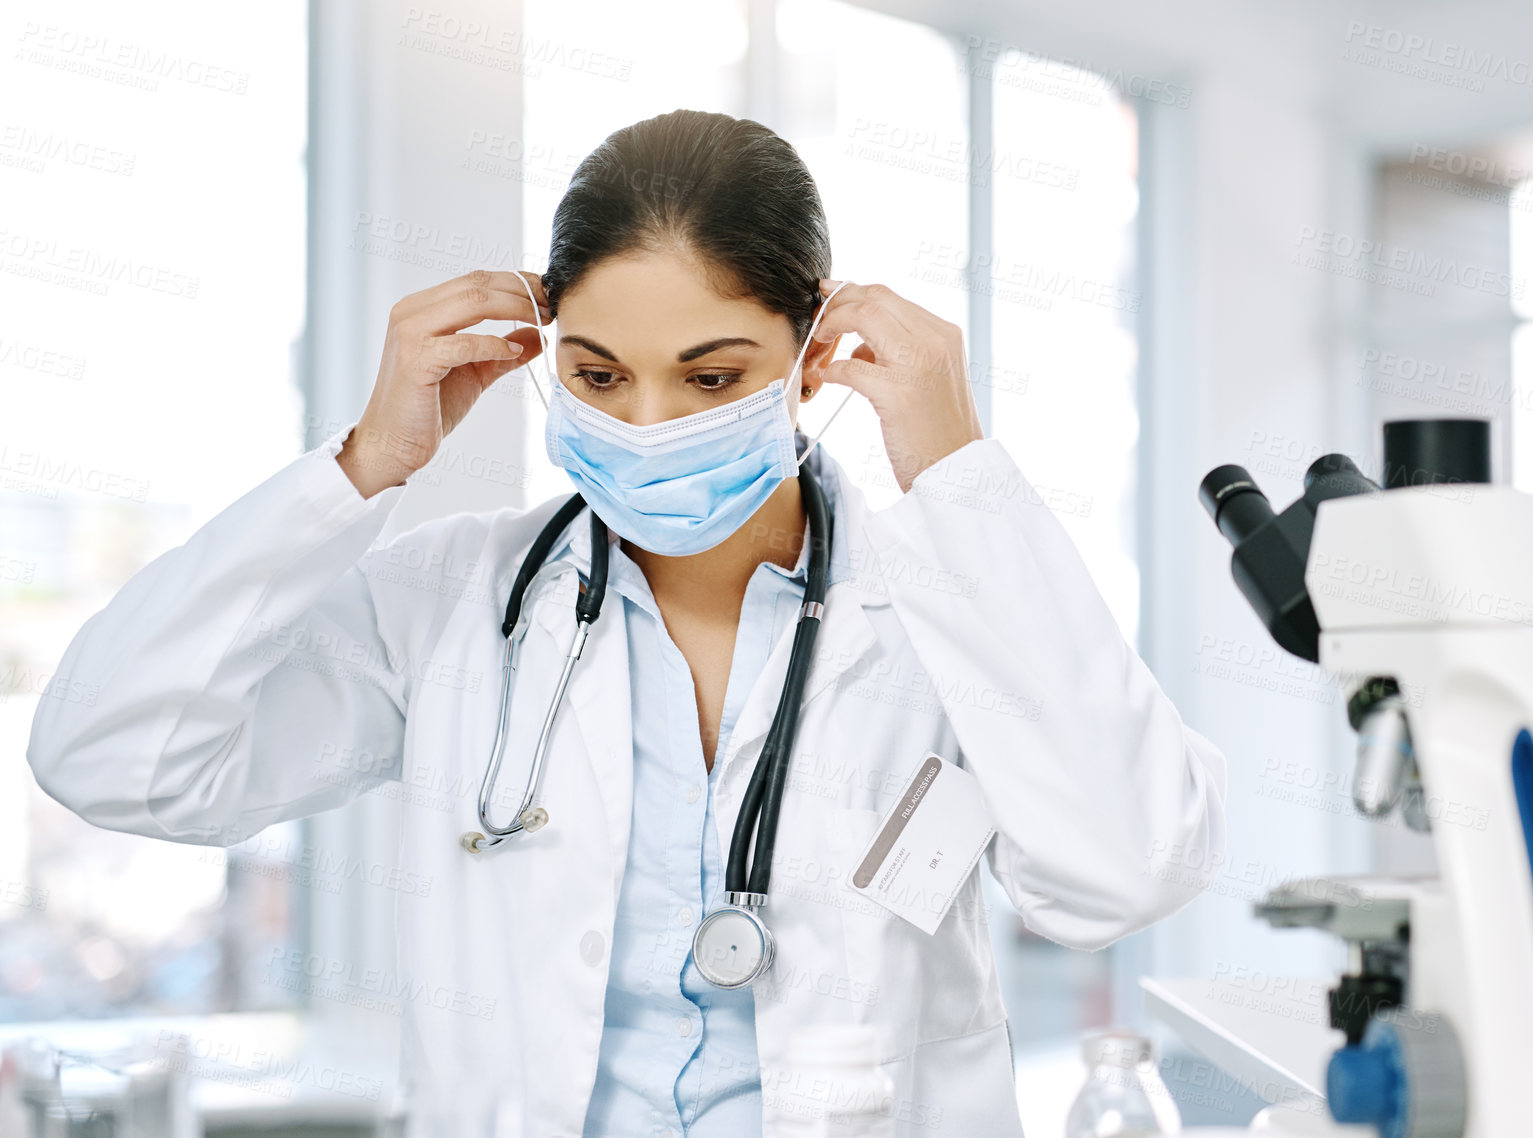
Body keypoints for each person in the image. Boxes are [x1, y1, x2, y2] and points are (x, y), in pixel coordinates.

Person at [27, 108, 1226, 1138]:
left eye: (710, 378)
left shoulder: (944, 616)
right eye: (599, 375)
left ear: (815, 359)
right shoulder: (458, 603)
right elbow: (115, 757)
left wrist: (959, 475)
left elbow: (1125, 873)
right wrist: (358, 471)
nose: (649, 423)